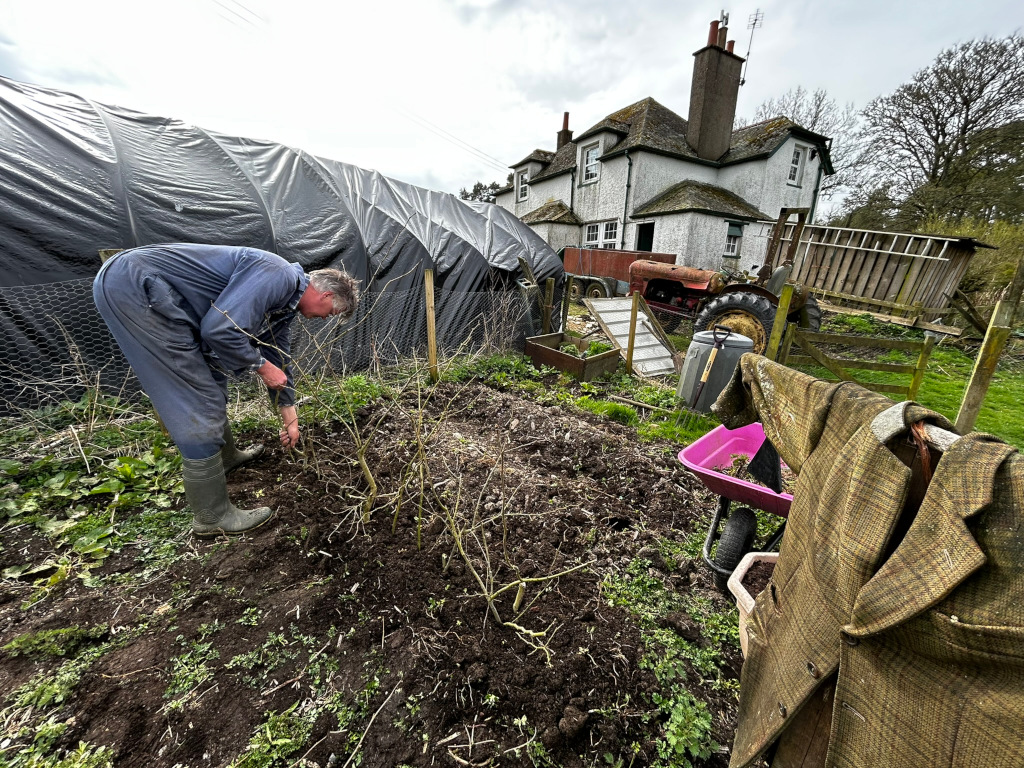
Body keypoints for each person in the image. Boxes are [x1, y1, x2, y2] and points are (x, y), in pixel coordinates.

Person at [93, 244, 359, 537]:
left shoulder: (283, 303)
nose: (325, 319)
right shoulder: (279, 275)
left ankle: (225, 457)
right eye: (331, 312)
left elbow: (278, 360)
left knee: (211, 375)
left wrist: (290, 419)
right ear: (326, 295)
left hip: (145, 285)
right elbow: (219, 330)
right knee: (195, 398)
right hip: (137, 287)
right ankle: (211, 516)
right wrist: (260, 366)